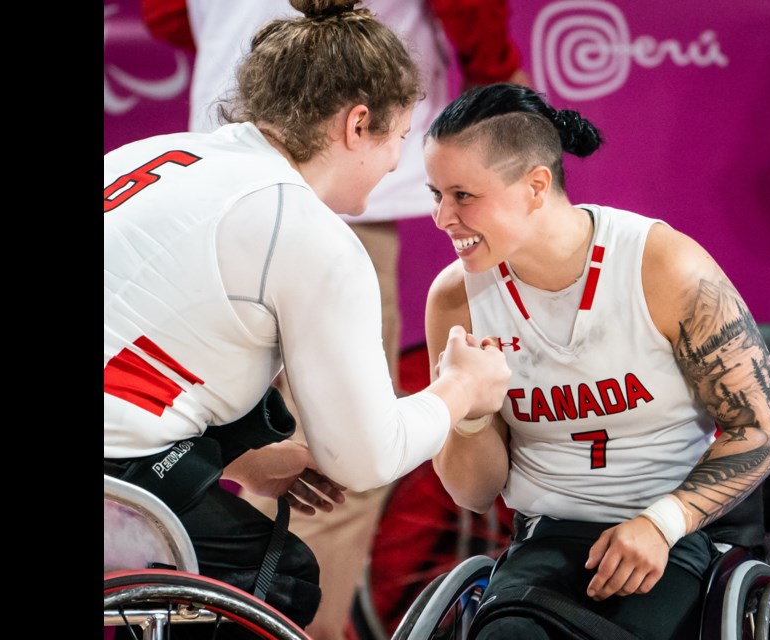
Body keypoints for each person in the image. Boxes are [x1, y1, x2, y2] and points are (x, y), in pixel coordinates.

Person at [103, 1, 512, 637]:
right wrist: (462, 388)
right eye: (398, 139)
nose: (394, 165)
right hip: (115, 482)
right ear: (357, 125)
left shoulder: (154, 154)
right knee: (282, 577)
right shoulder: (307, 232)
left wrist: (240, 463)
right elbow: (366, 459)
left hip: (123, 458)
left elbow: (139, 342)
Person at [422, 83, 770, 640]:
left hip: (679, 532)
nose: (442, 216)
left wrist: (661, 525)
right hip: (547, 536)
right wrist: (471, 412)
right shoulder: (455, 300)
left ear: (535, 187)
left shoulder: (663, 266)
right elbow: (473, 494)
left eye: (463, 195)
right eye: (435, 194)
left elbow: (758, 428)